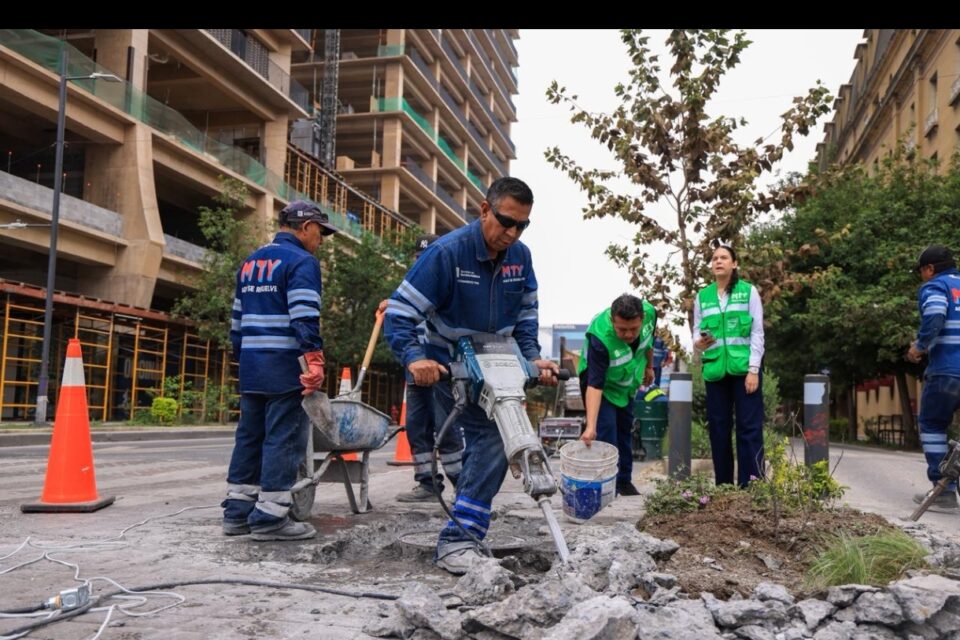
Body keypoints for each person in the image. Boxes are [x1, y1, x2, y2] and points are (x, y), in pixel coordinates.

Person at [384, 177, 559, 574]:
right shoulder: (447, 254)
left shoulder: (521, 257)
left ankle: (463, 527)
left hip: (496, 363)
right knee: (493, 439)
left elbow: (527, 316)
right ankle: (458, 539)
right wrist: (415, 358)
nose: (511, 233)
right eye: (505, 221)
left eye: (522, 226)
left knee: (492, 444)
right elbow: (399, 313)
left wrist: (533, 359)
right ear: (484, 210)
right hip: (450, 364)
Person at [221, 200, 338, 541]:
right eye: (320, 232)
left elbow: (236, 323)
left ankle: (238, 511)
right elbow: (304, 316)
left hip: (253, 366)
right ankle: (271, 517)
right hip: (286, 365)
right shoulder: (302, 261)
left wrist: (244, 361)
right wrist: (313, 360)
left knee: (249, 436)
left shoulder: (250, 262)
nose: (321, 240)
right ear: (305, 228)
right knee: (284, 439)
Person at [379, 234, 464, 503]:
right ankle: (427, 483)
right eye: (419, 258)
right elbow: (402, 319)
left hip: (441, 371)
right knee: (417, 428)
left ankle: (463, 486)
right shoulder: (410, 289)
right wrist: (390, 306)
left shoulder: (446, 287)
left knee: (447, 428)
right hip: (415, 373)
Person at [693, 243, 765, 488]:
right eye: (714, 258)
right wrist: (700, 342)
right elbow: (696, 333)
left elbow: (757, 333)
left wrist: (754, 369)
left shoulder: (748, 292)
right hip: (715, 371)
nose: (718, 261)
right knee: (719, 429)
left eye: (724, 257)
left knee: (749, 428)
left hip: (744, 370)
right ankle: (723, 486)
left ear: (734, 264)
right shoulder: (702, 297)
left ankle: (752, 485)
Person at [577, 294, 656, 496]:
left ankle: (624, 482)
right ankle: (606, 486)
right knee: (606, 432)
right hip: (599, 385)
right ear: (613, 320)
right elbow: (595, 385)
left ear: (642, 318)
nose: (629, 334)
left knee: (624, 430)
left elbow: (649, 341)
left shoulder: (650, 314)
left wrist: (649, 366)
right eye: (622, 329)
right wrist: (590, 427)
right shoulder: (600, 338)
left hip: (626, 383)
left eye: (633, 329)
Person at [907, 244, 960, 512]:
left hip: (948, 370)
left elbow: (936, 314)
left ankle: (944, 490)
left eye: (921, 271)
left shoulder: (935, 287)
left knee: (932, 423)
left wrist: (920, 346)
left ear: (930, 269)